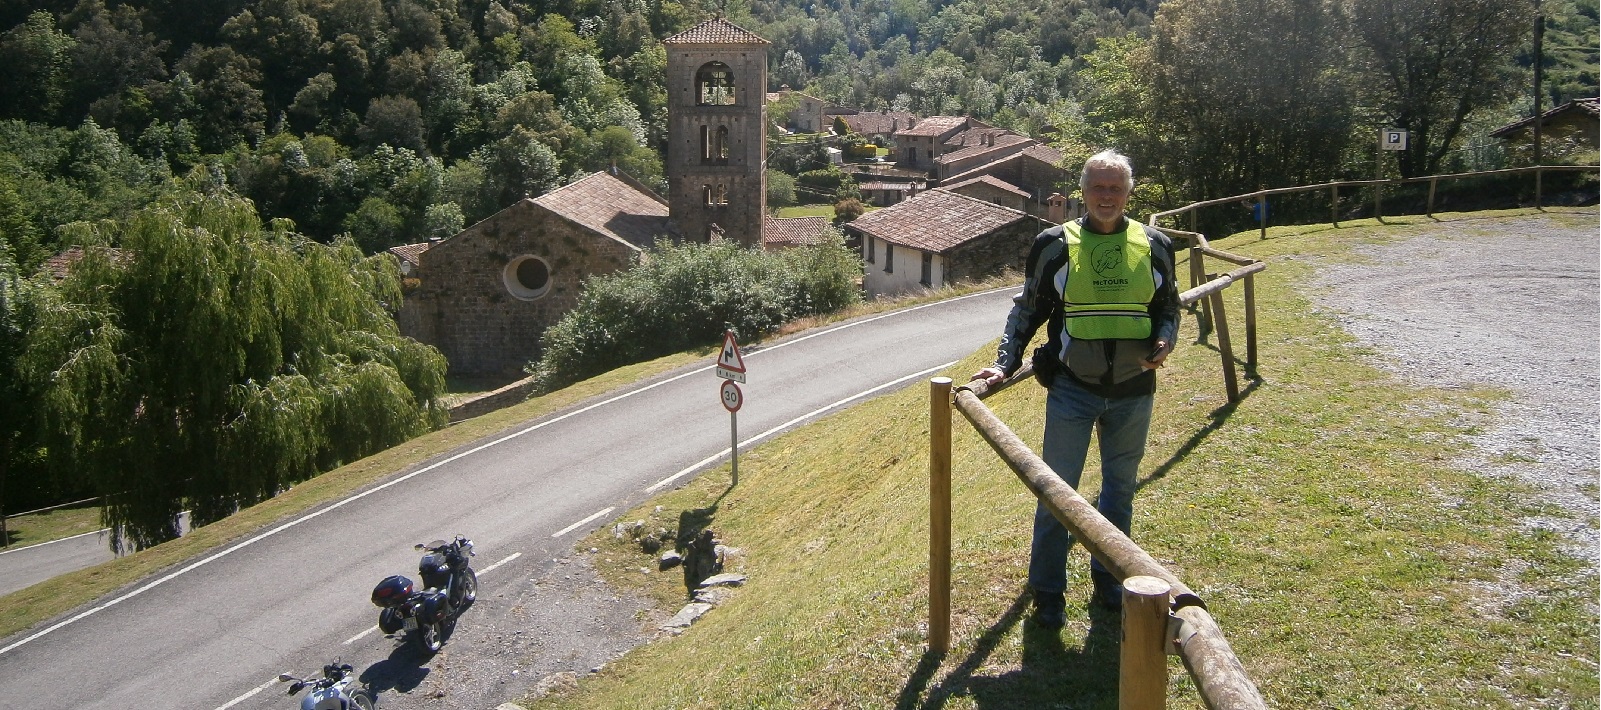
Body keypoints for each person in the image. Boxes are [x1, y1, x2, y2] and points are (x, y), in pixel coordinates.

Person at [970, 149, 1181, 628]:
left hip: (1134, 389)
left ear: (1128, 194)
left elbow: (1168, 306)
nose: (1107, 196)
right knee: (1056, 495)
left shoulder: (1155, 244)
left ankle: (1111, 580)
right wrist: (1004, 364)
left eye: (1116, 188)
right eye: (1098, 187)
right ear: (1083, 192)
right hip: (1071, 389)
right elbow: (1029, 308)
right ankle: (1048, 593)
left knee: (1119, 491)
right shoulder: (1054, 245)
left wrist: (1166, 338)